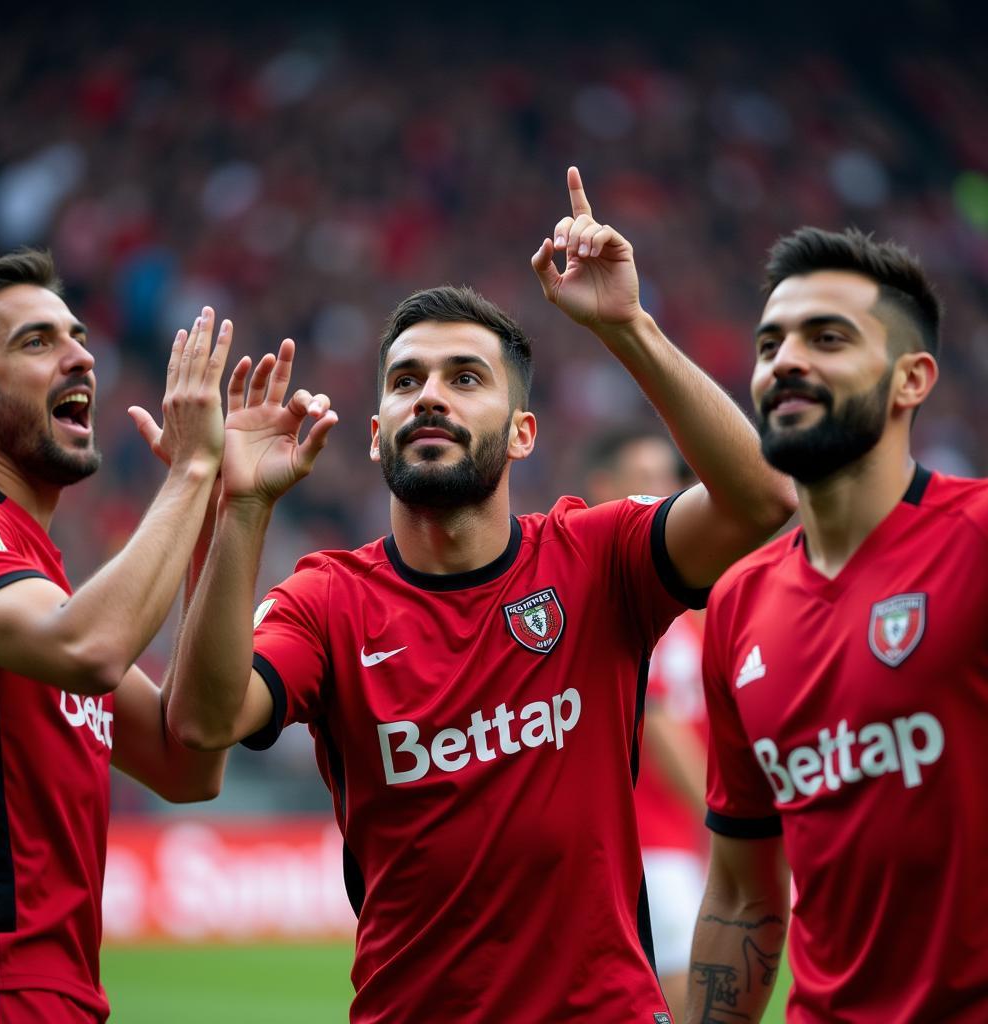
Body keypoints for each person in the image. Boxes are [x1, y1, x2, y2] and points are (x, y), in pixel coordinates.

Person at [168, 167, 796, 1022]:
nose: (430, 393)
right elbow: (201, 724)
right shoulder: (326, 600)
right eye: (405, 381)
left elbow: (762, 500)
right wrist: (241, 507)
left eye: (466, 378)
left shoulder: (596, 556)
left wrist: (628, 326)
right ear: (377, 433)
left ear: (523, 432)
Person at [686, 227, 988, 1023]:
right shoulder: (736, 605)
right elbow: (743, 895)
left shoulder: (978, 541)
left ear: (910, 380)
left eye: (828, 338)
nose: (787, 360)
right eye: (770, 343)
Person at [0, 250, 232, 1023]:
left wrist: (222, 512)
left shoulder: (35, 572)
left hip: (48, 994)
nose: (81, 354)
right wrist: (187, 474)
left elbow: (188, 760)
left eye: (78, 336)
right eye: (36, 341)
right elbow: (91, 651)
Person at [583, 428, 710, 1023]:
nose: (666, 491)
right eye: (648, 476)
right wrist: (726, 819)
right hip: (650, 850)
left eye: (671, 477)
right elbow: (658, 725)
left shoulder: (685, 607)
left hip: (676, 845)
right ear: (605, 489)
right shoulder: (630, 601)